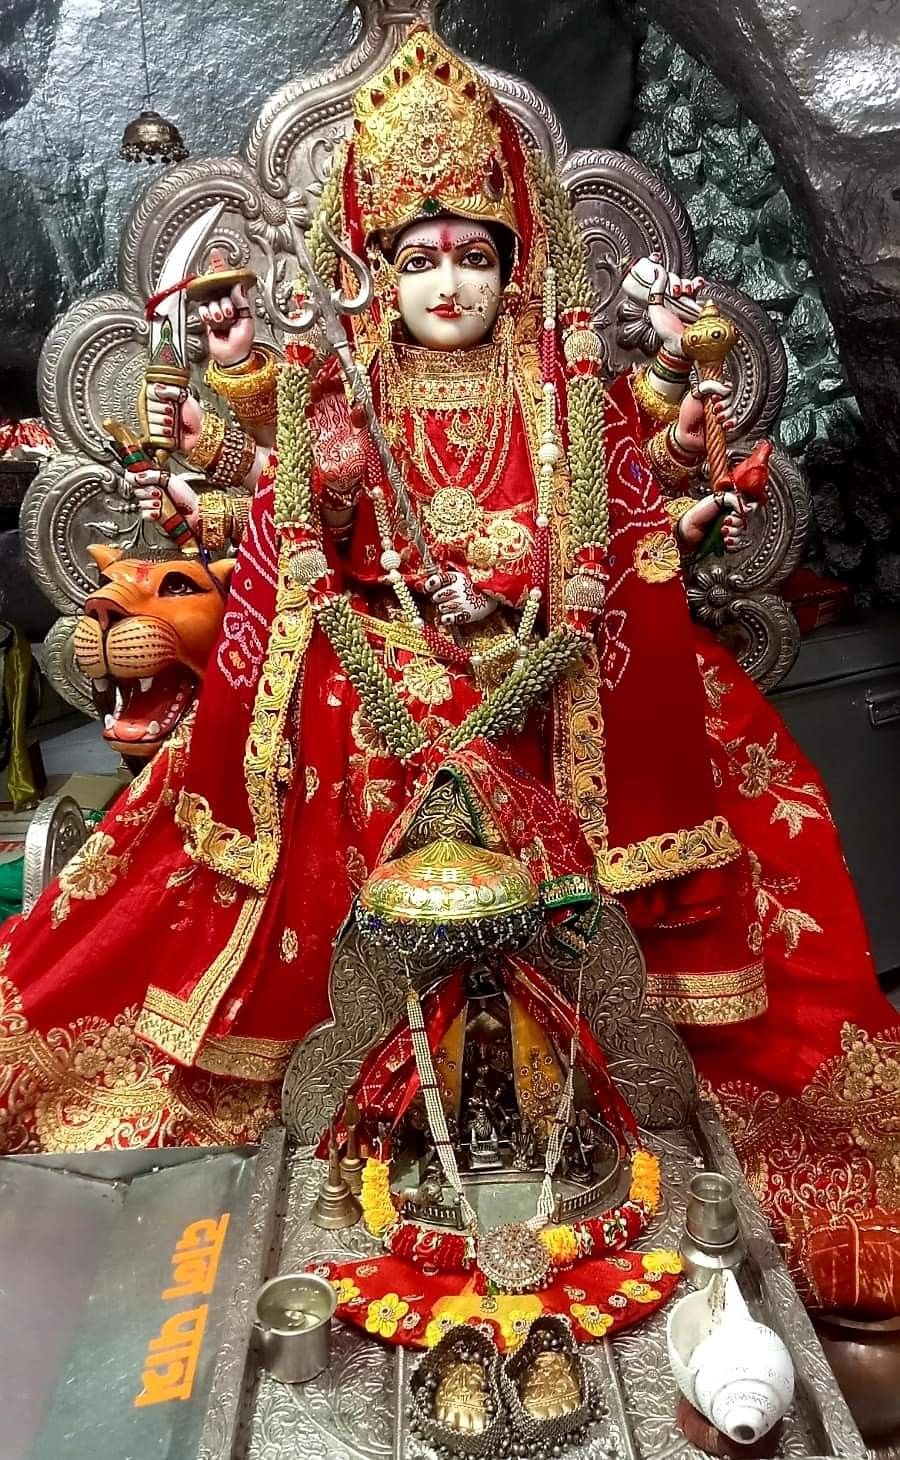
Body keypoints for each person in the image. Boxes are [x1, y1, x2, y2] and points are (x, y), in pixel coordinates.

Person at [0, 29, 896, 1267]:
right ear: (375, 271)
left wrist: (528, 601)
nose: (449, 284)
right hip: (378, 648)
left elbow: (615, 537)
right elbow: (300, 544)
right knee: (343, 740)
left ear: (514, 264)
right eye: (418, 259)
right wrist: (304, 458)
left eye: (474, 256)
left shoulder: (564, 396)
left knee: (704, 740)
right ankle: (352, 1094)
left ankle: (596, 1087)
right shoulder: (343, 393)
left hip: (551, 658)